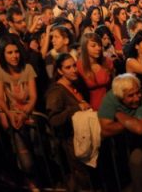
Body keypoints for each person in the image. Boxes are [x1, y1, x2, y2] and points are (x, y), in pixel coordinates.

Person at [0, 38, 39, 189]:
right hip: (14, 118)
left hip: (30, 115)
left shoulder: (28, 68)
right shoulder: (0, 70)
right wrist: (9, 114)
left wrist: (25, 113)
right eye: (10, 52)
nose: (14, 56)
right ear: (3, 54)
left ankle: (37, 180)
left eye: (16, 51)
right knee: (25, 159)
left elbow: (33, 96)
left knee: (37, 151)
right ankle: (29, 182)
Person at [98, 73, 142, 192]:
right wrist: (132, 122)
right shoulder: (110, 98)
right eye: (130, 96)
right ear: (119, 96)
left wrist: (119, 114)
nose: (137, 98)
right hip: (115, 145)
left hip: (141, 142)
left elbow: (140, 129)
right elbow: (106, 130)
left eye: (138, 92)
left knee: (138, 163)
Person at [45, 53, 92, 192]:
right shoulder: (56, 92)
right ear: (59, 71)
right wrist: (76, 107)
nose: (73, 70)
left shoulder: (75, 83)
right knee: (82, 181)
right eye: (68, 67)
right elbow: (54, 120)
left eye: (74, 66)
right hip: (70, 143)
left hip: (81, 139)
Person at [77, 32, 114, 110]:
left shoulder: (106, 61)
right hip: (90, 108)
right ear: (85, 47)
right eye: (93, 45)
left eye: (99, 45)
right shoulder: (79, 66)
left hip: (109, 105)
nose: (98, 48)